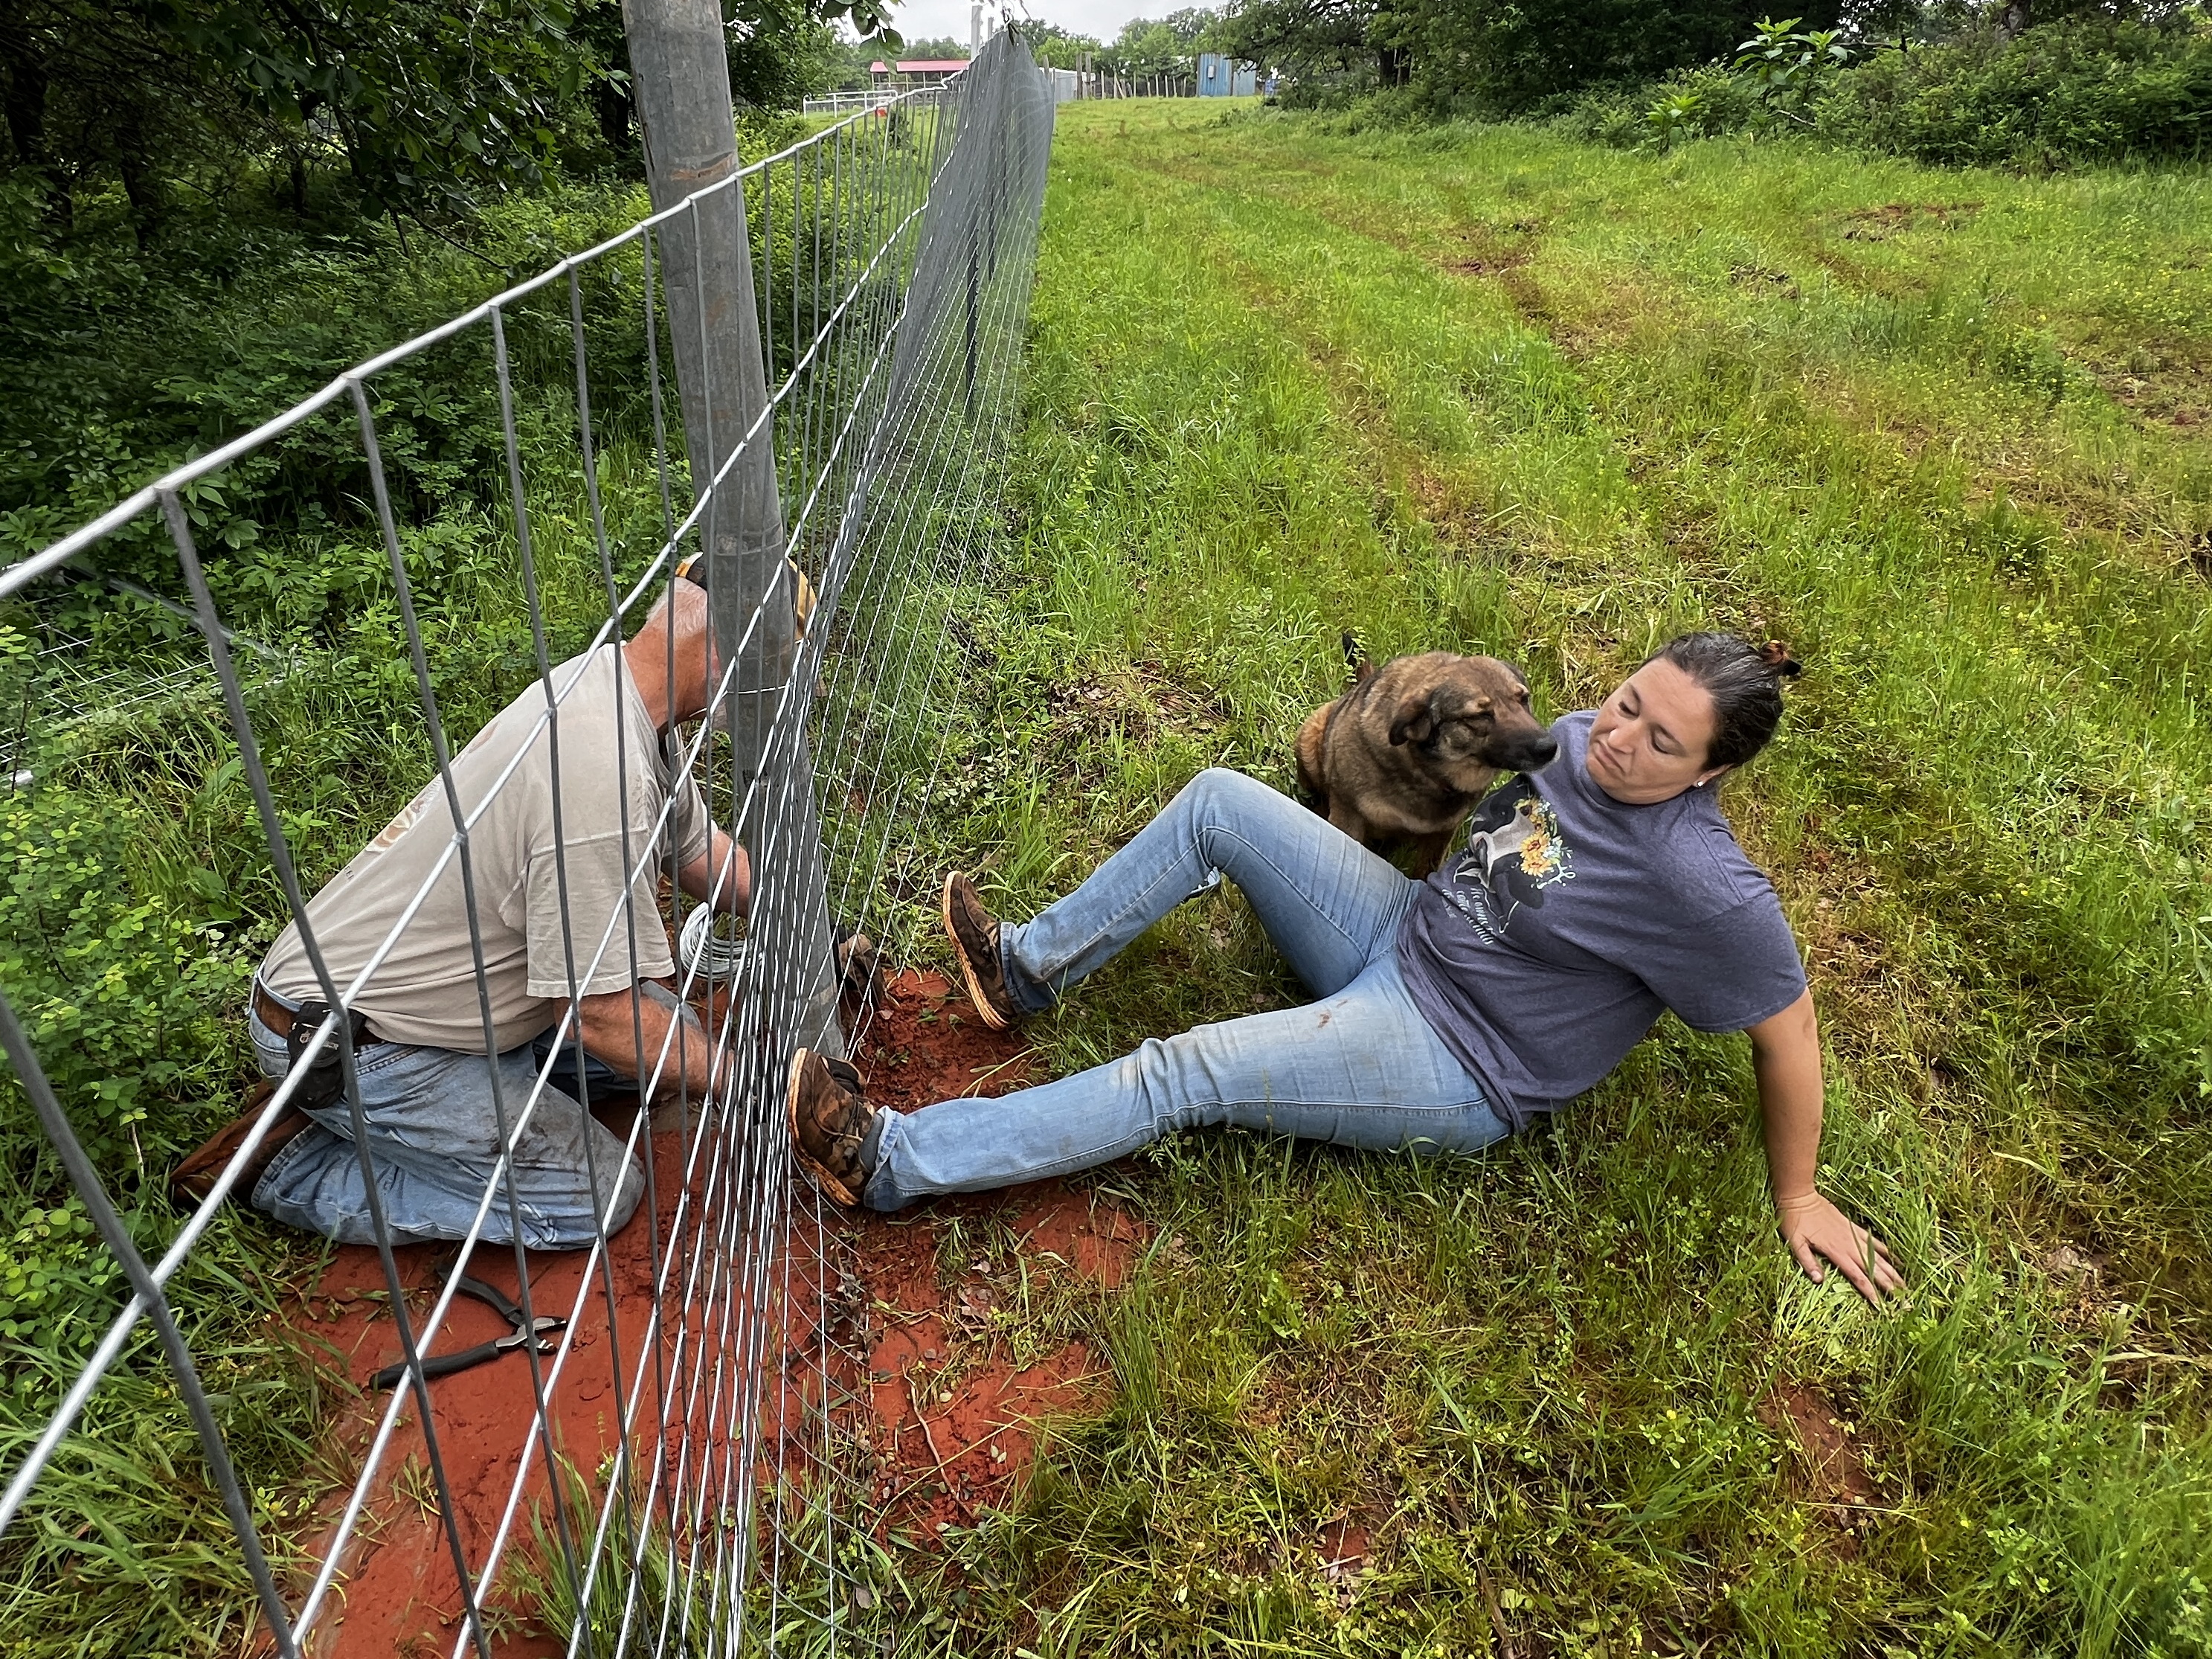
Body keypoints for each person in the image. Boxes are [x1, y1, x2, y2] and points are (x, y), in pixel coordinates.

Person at [788, 633, 1904, 1306]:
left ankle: (889, 1160)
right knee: (1222, 798)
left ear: (1709, 773)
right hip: (1400, 928)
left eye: (1661, 742)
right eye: (1625, 703)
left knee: (1186, 1070)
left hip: (1458, 1054)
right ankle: (1024, 971)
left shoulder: (1703, 885)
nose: (1615, 738)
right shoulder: (1565, 736)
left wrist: (1797, 1194)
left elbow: (1787, 1028)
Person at [173, 580, 747, 1250]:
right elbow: (595, 1014)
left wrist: (796, 916)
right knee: (596, 1197)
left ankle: (460, 1099)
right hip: (358, 1041)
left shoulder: (618, 690)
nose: (777, 692)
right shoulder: (598, 775)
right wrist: (750, 1084)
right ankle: (291, 1166)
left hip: (435, 1003)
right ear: (721, 649)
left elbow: (696, 848)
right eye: (775, 667)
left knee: (669, 1036)